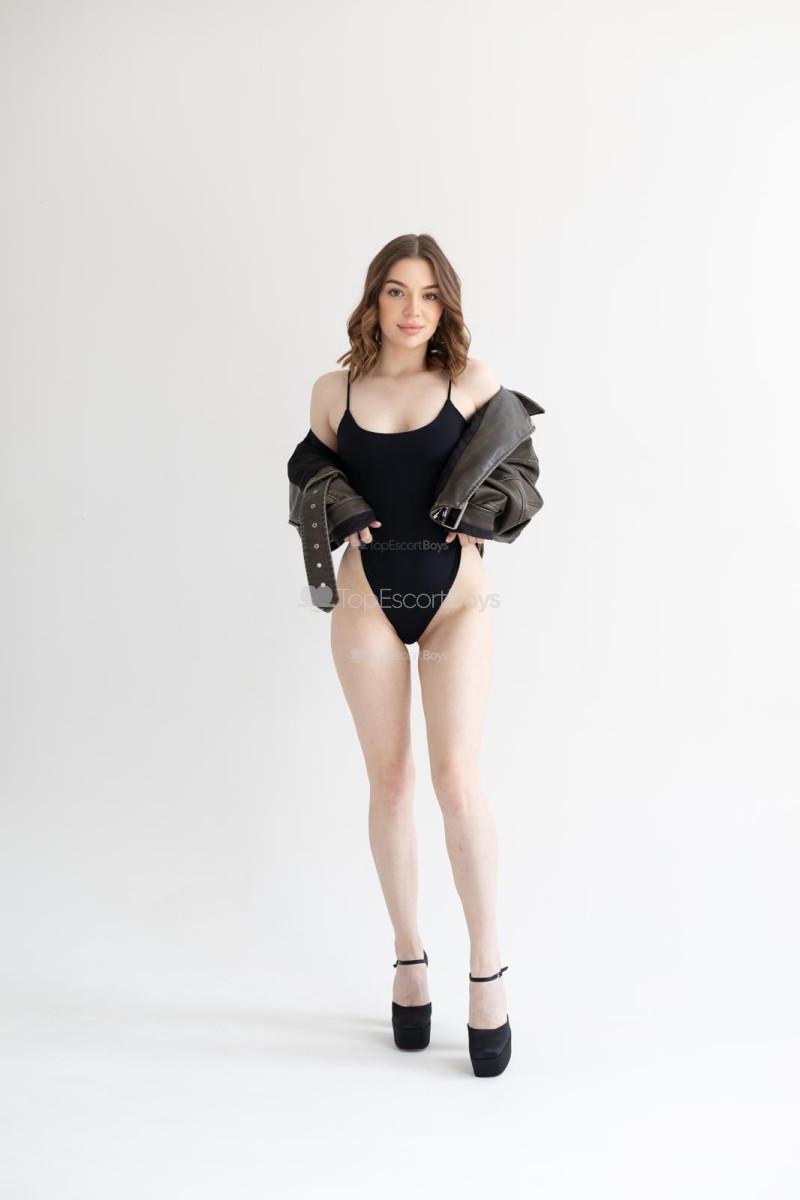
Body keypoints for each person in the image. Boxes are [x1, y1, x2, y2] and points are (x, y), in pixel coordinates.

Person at [301, 233, 535, 1076]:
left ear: (447, 305)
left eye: (429, 295)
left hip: (456, 605)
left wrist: (482, 513)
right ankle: (408, 957)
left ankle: (487, 967)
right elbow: (309, 477)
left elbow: (522, 468)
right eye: (397, 291)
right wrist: (336, 500)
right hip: (367, 602)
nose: (412, 310)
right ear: (374, 299)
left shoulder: (471, 383)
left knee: (455, 781)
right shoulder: (334, 390)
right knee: (392, 782)